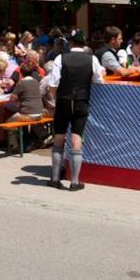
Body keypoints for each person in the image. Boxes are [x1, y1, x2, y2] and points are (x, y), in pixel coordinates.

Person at [44, 30, 103, 191]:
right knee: (76, 138)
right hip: (81, 101)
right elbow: (99, 79)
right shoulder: (92, 59)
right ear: (84, 44)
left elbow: (53, 84)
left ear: (71, 43)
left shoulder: (60, 58)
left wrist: (56, 99)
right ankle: (75, 181)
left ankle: (55, 178)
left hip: (63, 100)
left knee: (59, 137)